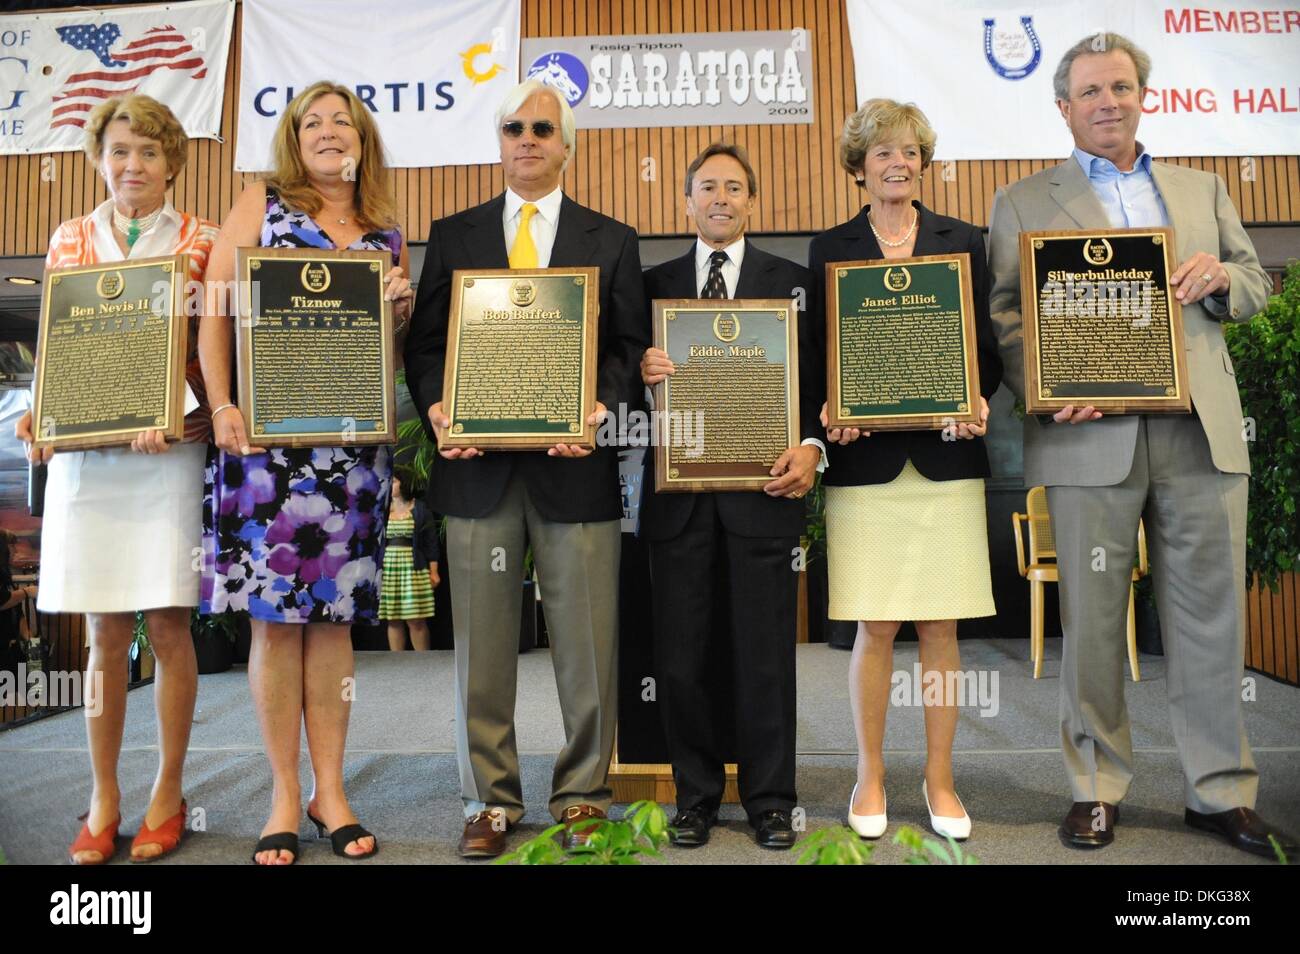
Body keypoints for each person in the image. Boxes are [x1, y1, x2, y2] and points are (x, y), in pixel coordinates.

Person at [987, 33, 1296, 857]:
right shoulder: (1021, 201)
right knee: (1091, 621)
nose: (1107, 102)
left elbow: (1258, 280)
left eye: (1121, 87)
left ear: (1143, 94)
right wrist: (1047, 389)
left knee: (1211, 618)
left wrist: (1227, 279)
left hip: (1200, 430)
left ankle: (1219, 791)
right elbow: (1006, 319)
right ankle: (1095, 787)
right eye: (1090, 91)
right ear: (1063, 108)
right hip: (1090, 441)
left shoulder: (1202, 187)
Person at [405, 79, 647, 858]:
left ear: (566, 145)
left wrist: (599, 410)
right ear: (499, 140)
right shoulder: (455, 233)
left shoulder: (610, 238)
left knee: (588, 647)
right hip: (478, 471)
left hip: (574, 470)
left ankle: (582, 794)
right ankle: (489, 800)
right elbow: (429, 345)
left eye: (543, 127)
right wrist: (440, 410)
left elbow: (626, 348)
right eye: (514, 127)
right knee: (480, 646)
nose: (527, 138)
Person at [198, 81, 413, 865]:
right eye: (311, 122)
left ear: (363, 140)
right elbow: (213, 308)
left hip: (352, 455)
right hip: (263, 454)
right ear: (294, 138)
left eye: (341, 121)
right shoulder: (260, 205)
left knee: (331, 629)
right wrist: (219, 403)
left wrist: (396, 315)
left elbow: (383, 368)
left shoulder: (385, 234)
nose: (328, 132)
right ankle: (284, 792)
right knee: (273, 624)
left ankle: (332, 789)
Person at [15, 94, 218, 863]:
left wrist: (173, 408)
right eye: (120, 151)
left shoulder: (200, 241)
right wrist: (42, 412)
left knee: (168, 627)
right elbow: (58, 346)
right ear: (101, 158)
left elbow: (209, 353)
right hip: (86, 464)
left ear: (173, 163)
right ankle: (103, 797)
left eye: (150, 153)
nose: (133, 166)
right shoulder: (69, 238)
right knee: (102, 634)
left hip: (165, 455)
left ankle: (169, 790)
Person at [807, 99, 1002, 841]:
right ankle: (870, 772)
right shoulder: (830, 247)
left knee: (942, 622)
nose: (898, 162)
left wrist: (975, 399)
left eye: (910, 150)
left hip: (948, 456)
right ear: (859, 168)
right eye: (883, 151)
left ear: (923, 161)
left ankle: (941, 778)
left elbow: (987, 348)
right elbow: (820, 357)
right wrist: (832, 407)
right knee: (878, 621)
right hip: (866, 462)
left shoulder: (966, 241)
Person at [638, 143, 820, 850]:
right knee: (682, 659)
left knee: (765, 655)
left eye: (734, 187)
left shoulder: (794, 282)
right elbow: (611, 378)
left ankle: (772, 800)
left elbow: (817, 384)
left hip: (765, 493)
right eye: (707, 187)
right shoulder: (651, 284)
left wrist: (811, 447)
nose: (720, 198)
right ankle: (696, 796)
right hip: (677, 499)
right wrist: (639, 371)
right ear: (685, 201)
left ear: (753, 201)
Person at [380, 467, 440, 651]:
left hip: (414, 569)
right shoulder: (380, 509)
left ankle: (423, 661)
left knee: (416, 619)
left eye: (395, 481)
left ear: (404, 484)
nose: (391, 485)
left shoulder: (420, 509)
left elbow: (431, 543)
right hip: (388, 570)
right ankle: (397, 661)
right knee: (393, 619)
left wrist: (434, 571)